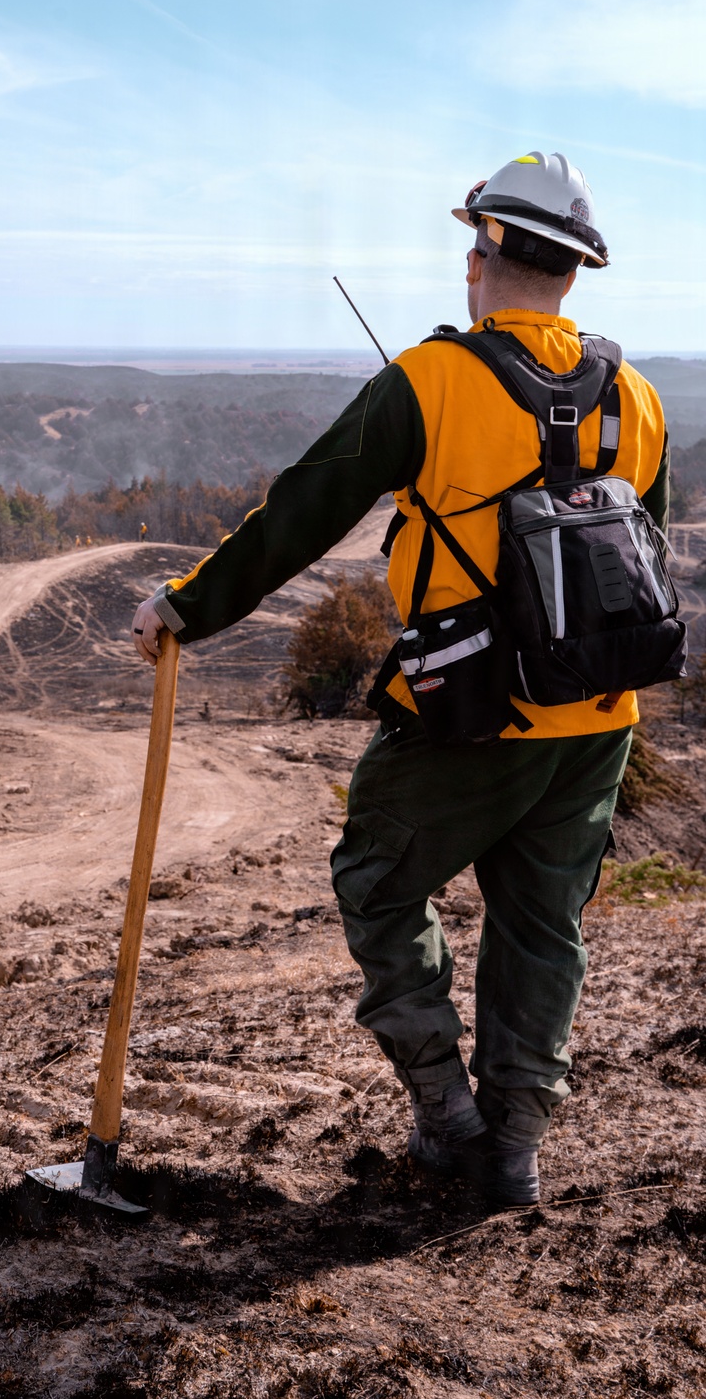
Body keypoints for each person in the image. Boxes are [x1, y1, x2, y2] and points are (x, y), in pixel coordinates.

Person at [130, 152, 671, 1206]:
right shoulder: (638, 399)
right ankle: (511, 1149)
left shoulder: (426, 382)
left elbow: (301, 511)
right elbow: (632, 551)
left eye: (471, 241)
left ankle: (446, 1110)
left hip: (465, 711)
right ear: (572, 273)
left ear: (485, 254)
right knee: (541, 925)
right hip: (598, 717)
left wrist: (186, 607)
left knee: (379, 884)